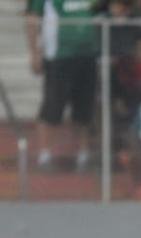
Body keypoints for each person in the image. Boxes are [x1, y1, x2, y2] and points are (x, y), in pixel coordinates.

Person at [25, 0, 99, 171]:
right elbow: (32, 17)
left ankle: (83, 153)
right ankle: (45, 154)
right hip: (59, 55)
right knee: (52, 106)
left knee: (84, 107)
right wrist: (34, 52)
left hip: (87, 54)